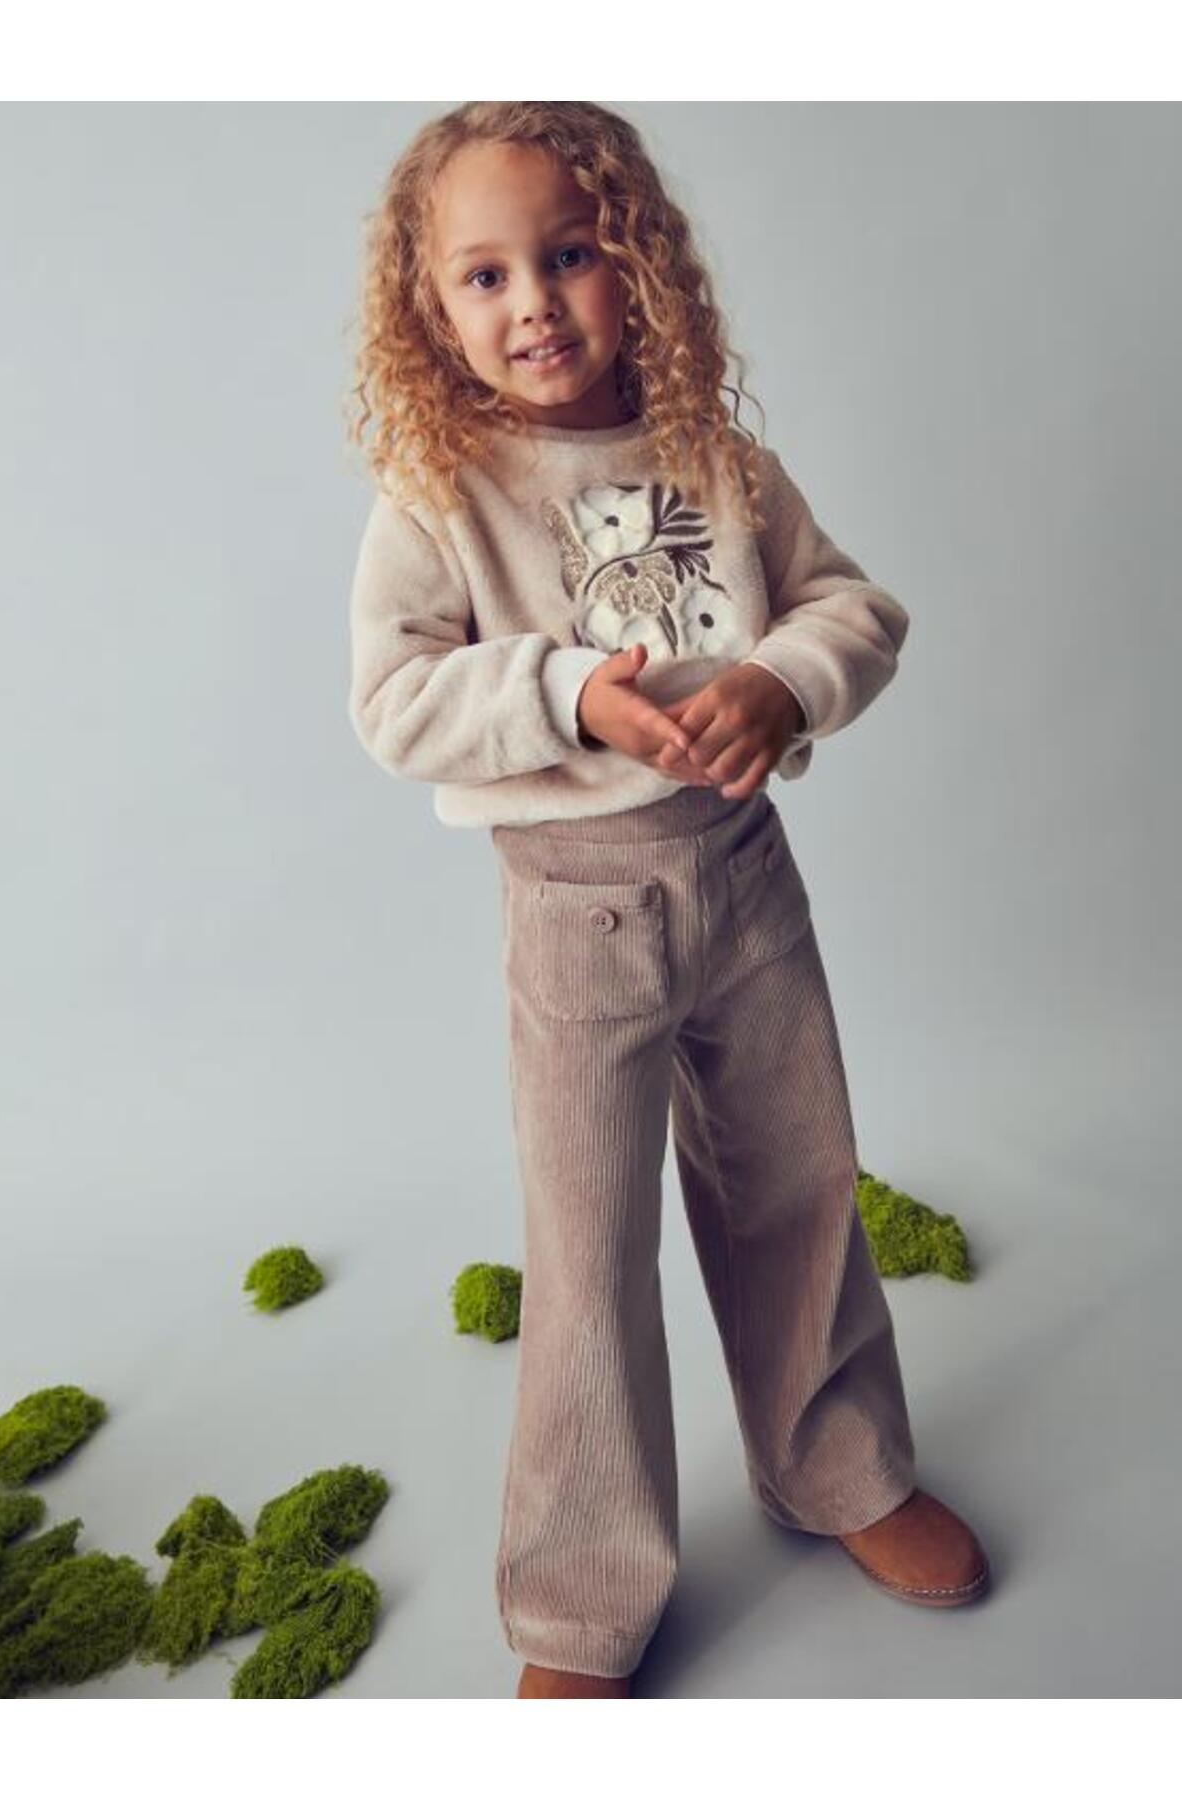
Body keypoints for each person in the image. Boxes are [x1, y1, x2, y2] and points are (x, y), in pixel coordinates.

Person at [345, 101, 990, 1700]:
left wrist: (783, 681)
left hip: (745, 881)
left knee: (798, 1186)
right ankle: (581, 1601)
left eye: (569, 255)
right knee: (588, 1255)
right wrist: (567, 692)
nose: (533, 303)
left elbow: (854, 604)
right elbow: (394, 701)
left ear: (636, 263)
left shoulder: (716, 455)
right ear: (432, 308)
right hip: (576, 917)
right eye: (485, 275)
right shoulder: (439, 491)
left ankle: (840, 1467)